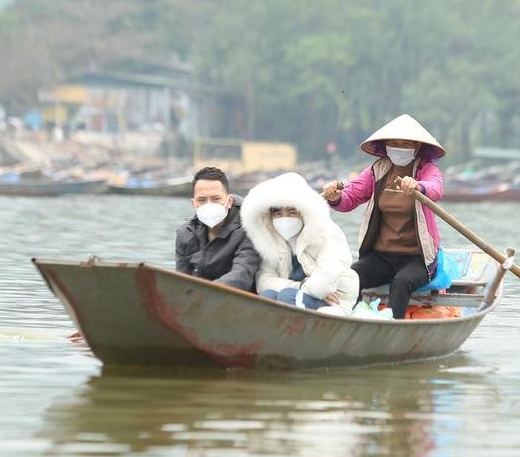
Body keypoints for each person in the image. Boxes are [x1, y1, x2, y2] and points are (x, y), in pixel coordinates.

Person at [321, 114, 445, 319]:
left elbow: (436, 188)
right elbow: (350, 197)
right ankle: (346, 320)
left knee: (402, 282)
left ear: (417, 147)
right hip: (381, 256)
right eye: (394, 143)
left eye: (406, 144)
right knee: (352, 276)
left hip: (417, 257)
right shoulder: (378, 170)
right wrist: (335, 197)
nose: (399, 147)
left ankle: (392, 327)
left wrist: (419, 186)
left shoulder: (426, 169)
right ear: (386, 145)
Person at [241, 172, 359, 312]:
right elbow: (264, 281)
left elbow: (326, 279)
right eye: (278, 213)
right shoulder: (270, 237)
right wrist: (300, 286)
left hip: (334, 298)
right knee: (267, 297)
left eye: (292, 212)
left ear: (304, 212)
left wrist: (302, 289)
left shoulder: (327, 232)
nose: (284, 218)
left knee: (288, 296)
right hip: (298, 292)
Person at [175, 166, 260, 291]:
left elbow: (243, 274)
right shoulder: (185, 234)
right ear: (194, 204)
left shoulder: (250, 229)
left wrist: (204, 291)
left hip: (238, 300)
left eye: (216, 199)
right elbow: (181, 279)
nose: (209, 204)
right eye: (202, 200)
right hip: (195, 300)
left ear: (229, 201)